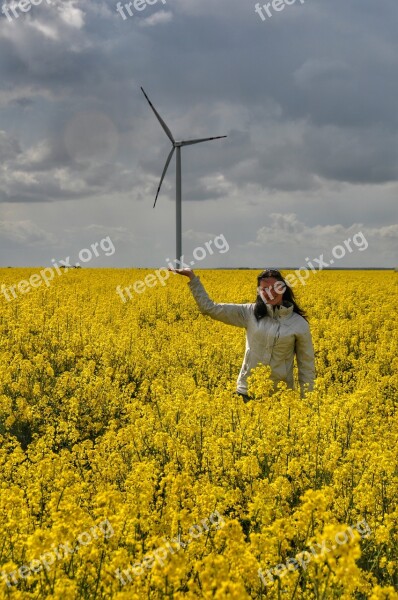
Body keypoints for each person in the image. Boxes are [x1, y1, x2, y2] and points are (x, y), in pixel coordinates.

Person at [169, 267, 315, 402]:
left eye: (274, 287)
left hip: (279, 396)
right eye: (265, 289)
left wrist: (306, 401)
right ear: (259, 292)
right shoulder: (249, 312)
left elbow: (306, 365)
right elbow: (211, 308)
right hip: (247, 392)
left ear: (283, 288)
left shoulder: (299, 324)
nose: (270, 292)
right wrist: (192, 278)